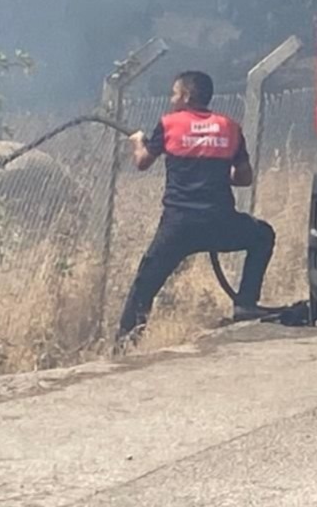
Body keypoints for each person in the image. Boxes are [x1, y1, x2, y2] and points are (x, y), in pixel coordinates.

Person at [115, 70, 277, 342]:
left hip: (178, 226)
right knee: (263, 235)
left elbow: (142, 162)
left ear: (187, 96)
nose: (171, 99)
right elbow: (244, 177)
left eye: (175, 93)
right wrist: (214, 176)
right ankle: (245, 304)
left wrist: (137, 142)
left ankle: (125, 344)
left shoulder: (169, 124)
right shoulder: (230, 127)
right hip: (221, 223)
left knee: (145, 284)